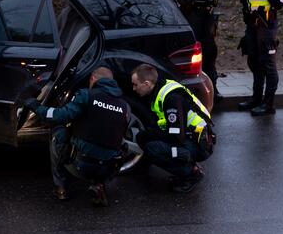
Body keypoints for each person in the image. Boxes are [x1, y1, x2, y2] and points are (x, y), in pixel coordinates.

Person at [24, 66, 130, 207]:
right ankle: (99, 184)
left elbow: (59, 116)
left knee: (59, 131)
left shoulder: (86, 95)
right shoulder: (125, 106)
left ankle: (60, 187)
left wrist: (37, 107)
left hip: (81, 165)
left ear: (93, 78)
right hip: (109, 169)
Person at [131, 64, 214, 193]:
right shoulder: (160, 88)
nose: (134, 88)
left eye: (136, 84)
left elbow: (176, 136)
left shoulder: (171, 99)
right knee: (146, 138)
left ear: (147, 84)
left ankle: (191, 173)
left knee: (153, 148)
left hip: (199, 144)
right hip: (191, 137)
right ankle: (186, 164)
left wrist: (149, 135)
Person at [237, 0, 283, 116]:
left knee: (268, 66)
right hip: (252, 26)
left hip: (266, 27)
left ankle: (268, 104)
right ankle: (256, 98)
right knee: (254, 62)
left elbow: (279, 3)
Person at [173, 0, 222, 102]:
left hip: (207, 14)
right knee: (194, 51)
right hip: (193, 13)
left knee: (210, 51)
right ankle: (191, 88)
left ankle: (213, 87)